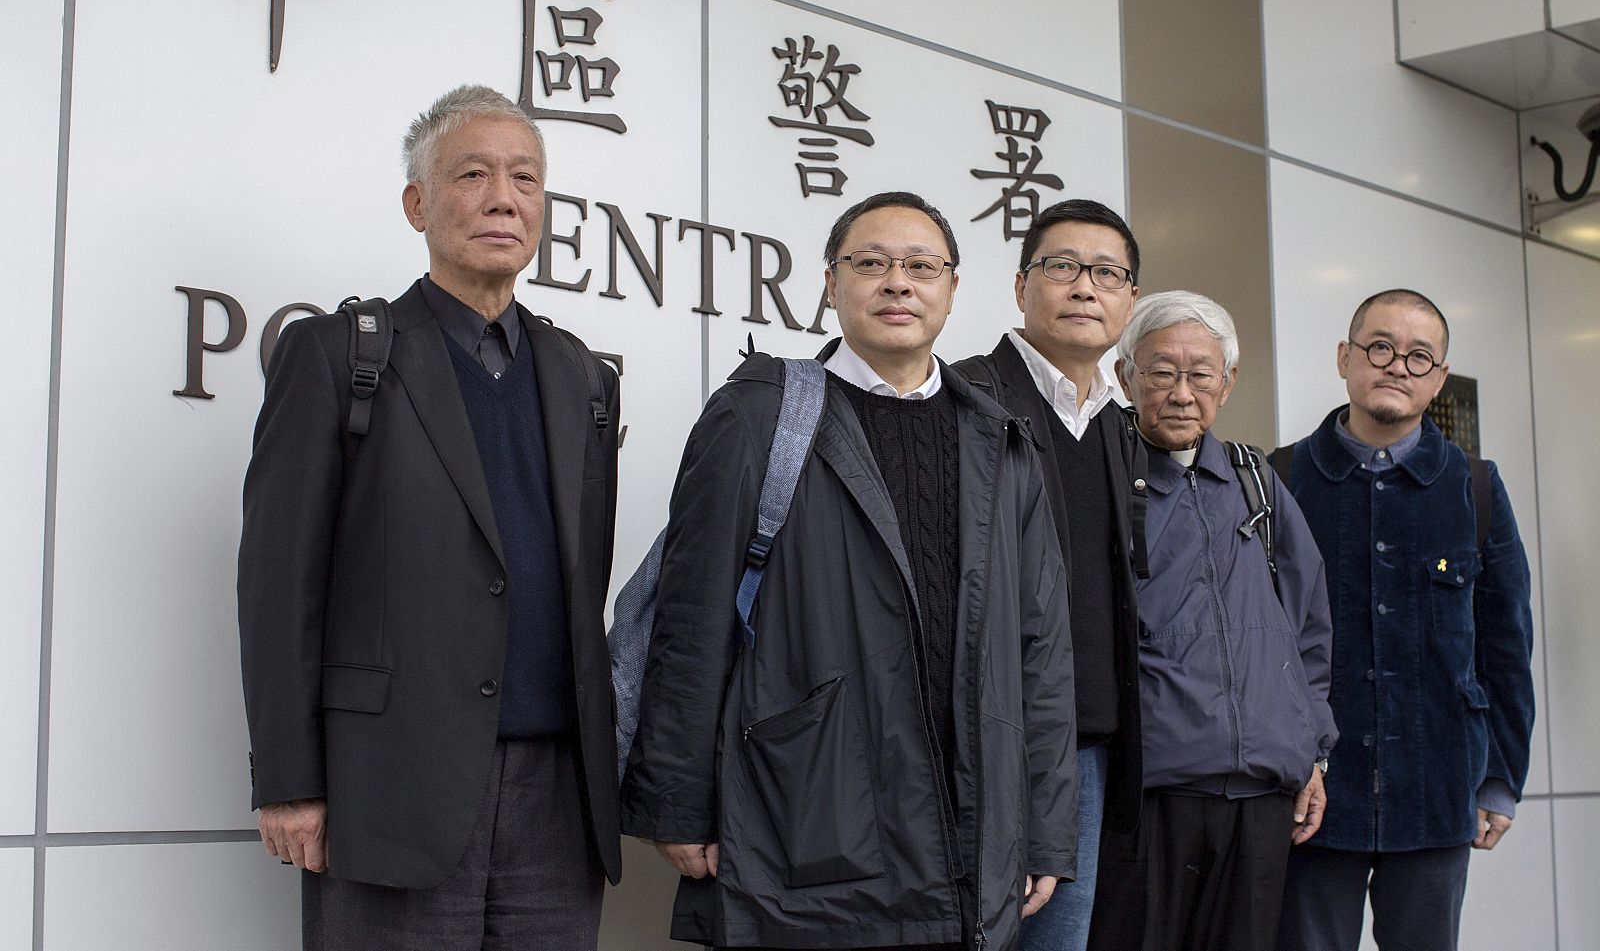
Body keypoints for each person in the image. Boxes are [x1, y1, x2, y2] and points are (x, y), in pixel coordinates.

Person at [620, 191, 1076, 950]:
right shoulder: (758, 413)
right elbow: (690, 617)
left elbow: (1043, 654)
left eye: (921, 265)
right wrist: (678, 800)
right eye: (871, 263)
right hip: (806, 817)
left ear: (952, 288)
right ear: (831, 285)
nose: (897, 282)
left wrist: (1048, 828)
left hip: (972, 834)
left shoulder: (1002, 444)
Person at [236, 84, 621, 950]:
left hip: (559, 793)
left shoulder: (581, 376)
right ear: (417, 203)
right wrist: (289, 778)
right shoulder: (340, 354)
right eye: (472, 174)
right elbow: (279, 583)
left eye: (525, 178)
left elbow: (581, 576)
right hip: (391, 779)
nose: (503, 197)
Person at [1274, 289, 1535, 951]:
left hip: (1438, 785)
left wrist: (1500, 778)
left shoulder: (1475, 486)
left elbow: (1506, 642)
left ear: (1440, 377)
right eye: (1381, 347)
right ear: (1346, 357)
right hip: (1311, 800)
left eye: (1420, 357)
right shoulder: (1281, 478)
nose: (1398, 366)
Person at [1087, 290, 1337, 951]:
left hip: (1260, 794)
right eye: (1161, 370)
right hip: (1151, 791)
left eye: (1200, 373)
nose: (1180, 391)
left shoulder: (1257, 480)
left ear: (1226, 384)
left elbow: (1309, 626)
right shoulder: (1102, 481)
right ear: (1124, 377)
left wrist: (1313, 751)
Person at [953, 200, 1144, 951]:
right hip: (978, 743)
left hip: (1088, 752)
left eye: (1107, 273)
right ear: (1021, 286)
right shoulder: (963, 397)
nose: (1084, 287)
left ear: (1129, 299)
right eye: (1062, 267)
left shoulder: (1119, 427)